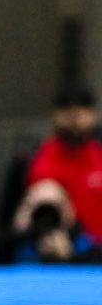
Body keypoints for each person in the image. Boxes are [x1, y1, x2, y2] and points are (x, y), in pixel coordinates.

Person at [26, 86, 102, 244]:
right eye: (66, 108)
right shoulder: (31, 159)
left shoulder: (99, 156)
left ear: (93, 114)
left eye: (82, 108)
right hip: (47, 253)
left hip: (94, 256)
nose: (74, 115)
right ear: (54, 114)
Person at [10, 179, 102, 264]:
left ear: (69, 210)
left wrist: (69, 257)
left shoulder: (85, 246)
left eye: (54, 207)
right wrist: (16, 232)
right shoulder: (17, 245)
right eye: (40, 208)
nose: (46, 217)